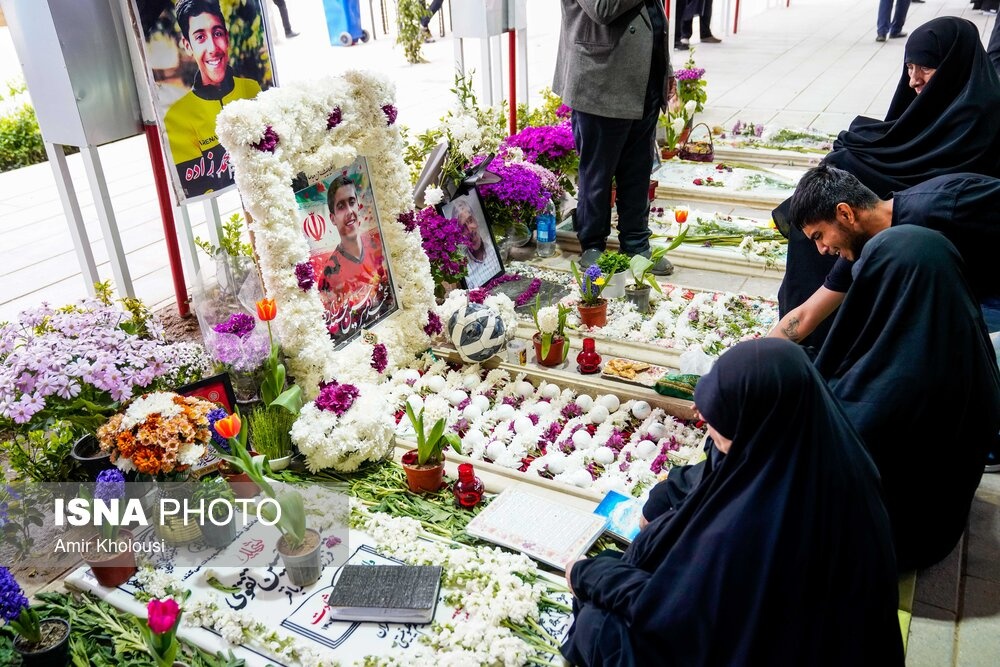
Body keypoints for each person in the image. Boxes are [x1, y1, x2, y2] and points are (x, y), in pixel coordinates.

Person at [561, 339, 904, 666]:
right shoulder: (821, 451)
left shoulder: (748, 528)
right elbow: (712, 474)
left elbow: (675, 614)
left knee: (598, 625)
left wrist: (589, 576)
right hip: (835, 638)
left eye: (717, 413)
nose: (699, 413)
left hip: (767, 646)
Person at [773, 16, 1000, 347]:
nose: (913, 80)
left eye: (925, 68)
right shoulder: (865, 237)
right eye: (909, 67)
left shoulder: (951, 197)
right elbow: (808, 313)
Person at [814, 226, 1000, 571]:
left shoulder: (902, 379)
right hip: (941, 526)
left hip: (895, 539)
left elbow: (845, 439)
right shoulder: (967, 344)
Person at [770, 165, 1000, 342]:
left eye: (819, 236)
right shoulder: (860, 248)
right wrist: (758, 359)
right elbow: (806, 316)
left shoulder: (945, 203)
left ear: (845, 214)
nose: (821, 250)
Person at [554, 1, 677, 276]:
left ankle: (636, 244)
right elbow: (602, 8)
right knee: (597, 175)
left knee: (638, 172)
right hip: (600, 78)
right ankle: (592, 244)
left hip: (644, 79)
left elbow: (653, 13)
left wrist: (665, 68)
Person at [164, 0, 263, 198]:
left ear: (227, 37)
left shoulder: (252, 88)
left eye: (217, 33)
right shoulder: (177, 116)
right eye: (200, 37)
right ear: (188, 45)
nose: (212, 48)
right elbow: (197, 187)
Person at [314, 176, 391, 340]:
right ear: (333, 218)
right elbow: (334, 335)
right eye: (341, 206)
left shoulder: (379, 247)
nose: (349, 211)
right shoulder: (328, 278)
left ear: (358, 205)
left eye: (351, 202)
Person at [452, 198, 502, 288]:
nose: (470, 230)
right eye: (463, 228)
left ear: (476, 219)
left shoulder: (494, 249)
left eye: (470, 220)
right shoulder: (464, 270)